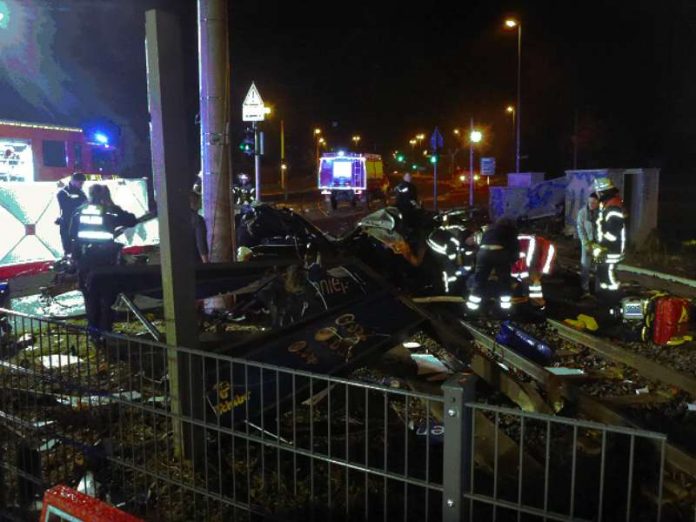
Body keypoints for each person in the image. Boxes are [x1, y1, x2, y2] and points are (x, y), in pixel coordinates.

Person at [70, 184, 137, 332]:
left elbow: (71, 236)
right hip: (105, 261)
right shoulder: (109, 212)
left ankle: (94, 334)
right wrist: (112, 204)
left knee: (90, 298)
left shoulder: (79, 212)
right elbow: (132, 220)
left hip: (85, 260)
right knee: (106, 298)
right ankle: (106, 333)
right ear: (104, 196)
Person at [466, 217, 519, 313]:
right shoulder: (510, 231)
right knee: (504, 279)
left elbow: (480, 245)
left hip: (483, 253)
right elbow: (514, 248)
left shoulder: (489, 230)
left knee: (480, 279)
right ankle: (505, 307)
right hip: (499, 253)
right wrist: (511, 260)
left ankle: (472, 307)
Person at [592, 177, 626, 297]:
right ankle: (605, 298)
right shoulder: (607, 206)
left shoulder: (613, 209)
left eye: (598, 192)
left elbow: (612, 234)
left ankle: (614, 300)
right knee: (603, 274)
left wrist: (601, 246)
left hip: (611, 249)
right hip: (606, 249)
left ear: (602, 192)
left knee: (609, 276)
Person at [55, 172, 87, 256]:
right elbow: (66, 206)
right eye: (80, 183)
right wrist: (81, 203)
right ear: (73, 181)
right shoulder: (63, 193)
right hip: (67, 223)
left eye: (83, 183)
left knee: (79, 246)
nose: (81, 185)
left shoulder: (81, 192)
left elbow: (86, 203)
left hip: (79, 223)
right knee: (68, 245)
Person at [576, 193, 599, 297]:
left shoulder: (601, 212)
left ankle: (598, 290)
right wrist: (585, 243)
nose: (591, 204)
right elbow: (580, 229)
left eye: (594, 202)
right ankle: (585, 290)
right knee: (585, 266)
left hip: (598, 244)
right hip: (587, 242)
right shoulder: (582, 213)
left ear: (598, 203)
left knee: (599, 267)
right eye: (590, 202)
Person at [190, 190, 209, 263]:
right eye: (200, 201)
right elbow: (201, 244)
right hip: (195, 260)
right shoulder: (198, 220)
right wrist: (206, 262)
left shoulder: (179, 219)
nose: (201, 203)